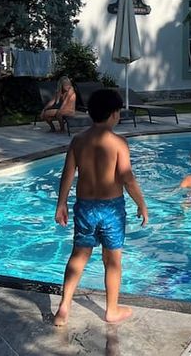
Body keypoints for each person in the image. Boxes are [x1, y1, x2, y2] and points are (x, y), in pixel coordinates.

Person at [53, 88, 149, 326]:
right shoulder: (118, 143)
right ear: (114, 114)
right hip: (111, 210)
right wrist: (141, 204)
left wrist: (61, 203)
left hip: (85, 207)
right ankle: (112, 310)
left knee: (79, 254)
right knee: (112, 259)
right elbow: (127, 178)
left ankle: (64, 307)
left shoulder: (78, 141)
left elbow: (67, 174)